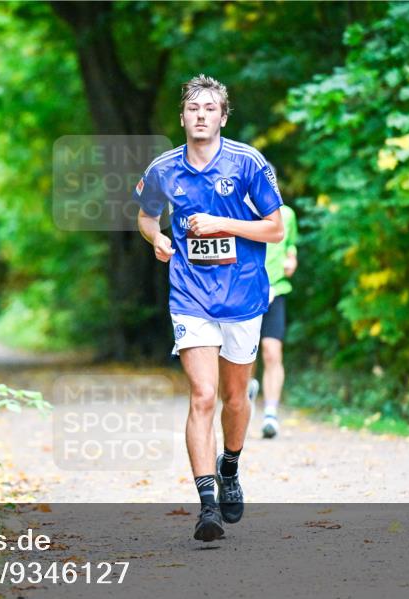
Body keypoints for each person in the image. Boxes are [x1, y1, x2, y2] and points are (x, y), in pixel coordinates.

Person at [133, 74, 284, 542]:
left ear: (222, 117)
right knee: (203, 395)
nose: (201, 115)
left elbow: (275, 228)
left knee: (235, 398)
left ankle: (231, 466)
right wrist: (157, 238)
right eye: (193, 109)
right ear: (182, 118)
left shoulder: (248, 163)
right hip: (190, 295)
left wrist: (223, 223)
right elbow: (145, 214)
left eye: (210, 109)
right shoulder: (163, 169)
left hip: (242, 296)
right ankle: (207, 507)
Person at [254, 203, 298, 438]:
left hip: (276, 289)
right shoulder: (242, 208)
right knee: (244, 353)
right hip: (247, 290)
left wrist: (292, 261)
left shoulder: (288, 214)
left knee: (272, 350)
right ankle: (245, 394)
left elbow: (291, 246)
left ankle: (270, 413)